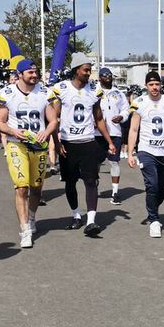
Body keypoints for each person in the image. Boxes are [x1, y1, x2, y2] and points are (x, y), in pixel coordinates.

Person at [49, 53, 116, 236]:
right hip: (68, 143)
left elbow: (99, 119)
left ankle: (91, 221)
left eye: (90, 70)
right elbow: (54, 118)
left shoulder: (94, 91)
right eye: (86, 70)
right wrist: (56, 141)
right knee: (70, 182)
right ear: (76, 70)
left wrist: (109, 141)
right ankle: (76, 215)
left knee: (91, 181)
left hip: (87, 141)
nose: (89, 73)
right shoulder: (61, 89)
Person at [0, 60, 57, 247]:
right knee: (21, 187)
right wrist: (14, 131)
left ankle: (31, 216)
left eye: (36, 72)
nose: (34, 75)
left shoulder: (44, 92)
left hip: (39, 144)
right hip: (17, 144)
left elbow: (53, 120)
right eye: (30, 72)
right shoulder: (7, 93)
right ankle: (25, 229)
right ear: (20, 74)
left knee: (36, 187)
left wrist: (46, 132)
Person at [127, 71, 164, 237]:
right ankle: (154, 220)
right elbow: (133, 129)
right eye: (151, 85)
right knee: (151, 185)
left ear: (161, 85)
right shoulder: (140, 103)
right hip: (147, 150)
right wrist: (131, 153)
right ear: (146, 86)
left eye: (157, 84)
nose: (154, 88)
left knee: (163, 187)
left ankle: (152, 208)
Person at [96, 67, 130, 205]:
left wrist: (121, 117)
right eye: (105, 75)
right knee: (96, 162)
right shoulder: (94, 91)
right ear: (99, 78)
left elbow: (126, 109)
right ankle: (94, 183)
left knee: (114, 162)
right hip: (97, 134)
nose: (108, 77)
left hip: (115, 132)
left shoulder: (119, 93)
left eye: (110, 75)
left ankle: (115, 193)